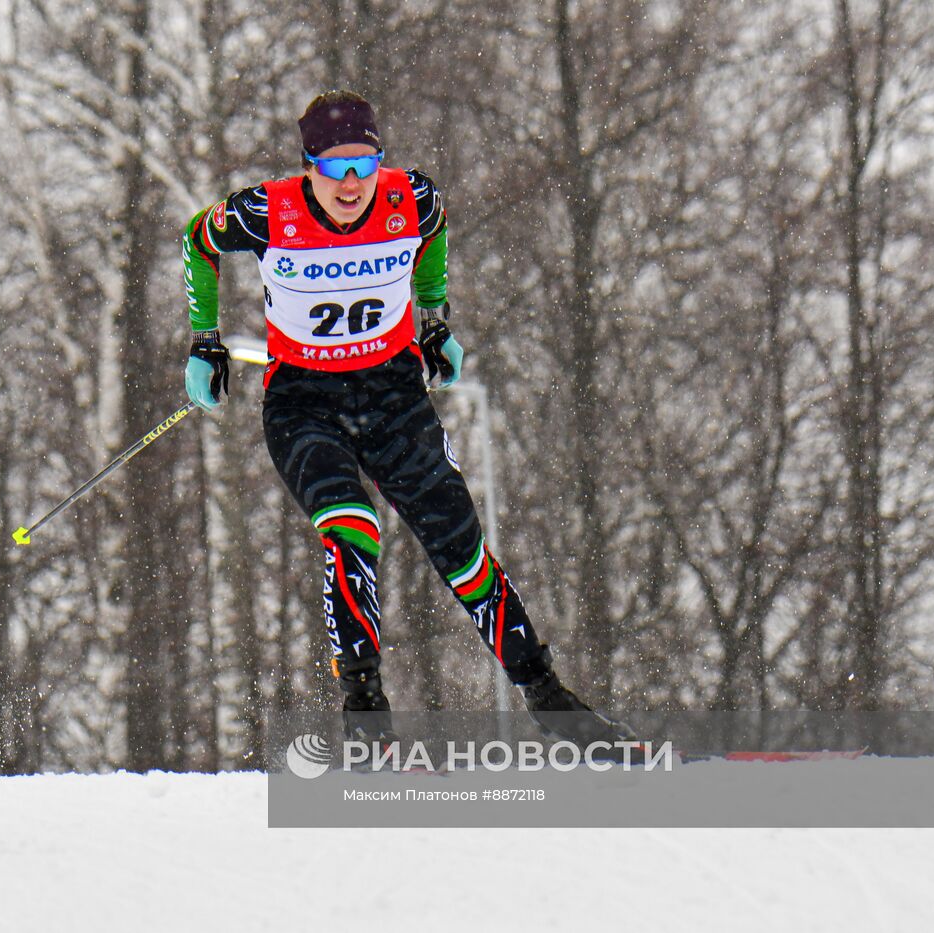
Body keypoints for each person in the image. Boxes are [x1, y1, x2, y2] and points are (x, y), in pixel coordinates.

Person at [180, 90, 631, 747]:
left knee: (462, 549)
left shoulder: (409, 199)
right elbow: (199, 240)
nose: (352, 183)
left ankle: (551, 700)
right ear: (308, 167)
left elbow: (437, 226)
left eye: (365, 164)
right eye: (335, 168)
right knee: (351, 526)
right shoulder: (268, 210)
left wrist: (434, 317)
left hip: (392, 393)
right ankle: (365, 710)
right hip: (305, 402)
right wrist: (204, 340)